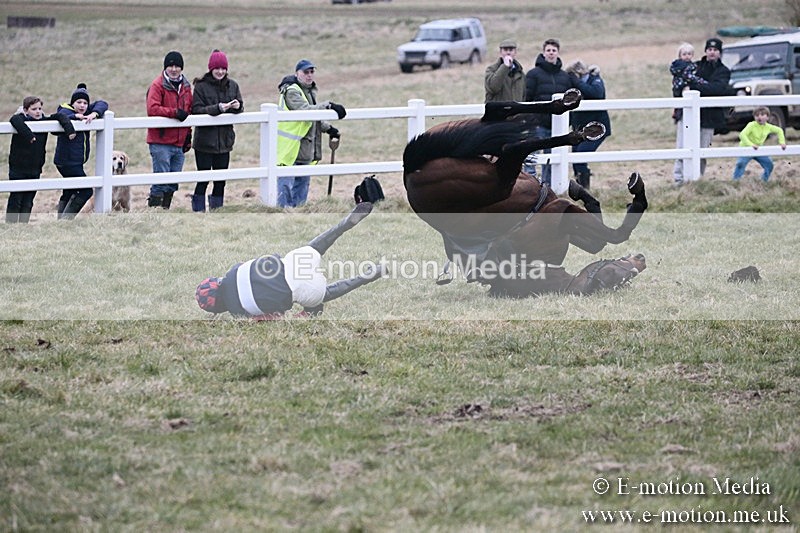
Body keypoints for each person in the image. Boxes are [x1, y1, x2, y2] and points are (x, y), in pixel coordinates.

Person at [195, 202, 384, 319]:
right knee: (318, 245)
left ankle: (374, 272)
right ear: (217, 282)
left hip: (306, 290)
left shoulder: (240, 313)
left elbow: (275, 316)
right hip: (291, 263)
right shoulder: (233, 271)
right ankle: (345, 223)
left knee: (326, 293)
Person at [276, 59, 346, 208]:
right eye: (305, 72)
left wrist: (329, 129)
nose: (309, 75)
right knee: (285, 189)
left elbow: (313, 118)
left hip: (305, 148)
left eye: (311, 72)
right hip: (290, 148)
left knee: (301, 190)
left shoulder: (308, 90)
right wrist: (328, 105)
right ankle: (283, 215)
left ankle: (299, 216)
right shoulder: (292, 91)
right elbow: (305, 112)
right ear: (297, 74)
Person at [6, 96, 76, 223]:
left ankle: (23, 225)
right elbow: (14, 119)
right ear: (26, 110)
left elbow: (59, 116)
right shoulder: (20, 118)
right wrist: (29, 135)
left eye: (39, 108)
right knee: (16, 198)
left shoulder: (44, 120)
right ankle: (11, 224)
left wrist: (69, 129)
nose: (38, 111)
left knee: (28, 199)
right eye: (34, 109)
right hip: (18, 167)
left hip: (35, 167)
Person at [190, 49, 244, 212]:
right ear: (211, 69)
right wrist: (217, 108)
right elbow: (196, 110)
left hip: (225, 142)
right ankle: (198, 211)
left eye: (223, 68)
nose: (220, 72)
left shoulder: (233, 85)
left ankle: (217, 210)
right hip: (205, 142)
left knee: (221, 180)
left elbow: (241, 106)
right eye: (217, 68)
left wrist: (237, 106)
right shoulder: (200, 86)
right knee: (203, 179)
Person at [672, 38, 731, 184]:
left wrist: (693, 88)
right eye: (709, 50)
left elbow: (717, 89)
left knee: (702, 151)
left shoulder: (723, 71)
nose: (712, 52)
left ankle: (697, 181)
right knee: (682, 148)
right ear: (705, 51)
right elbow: (680, 83)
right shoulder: (695, 66)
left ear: (720, 52)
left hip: (709, 117)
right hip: (688, 115)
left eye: (715, 50)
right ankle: (679, 180)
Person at [524, 38, 577, 185]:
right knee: (532, 156)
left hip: (557, 125)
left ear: (558, 53)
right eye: (548, 50)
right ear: (543, 52)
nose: (551, 53)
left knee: (551, 157)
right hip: (537, 123)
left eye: (554, 50)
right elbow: (527, 98)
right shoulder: (533, 74)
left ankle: (547, 187)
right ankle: (530, 184)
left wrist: (570, 121)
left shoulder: (564, 76)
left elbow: (570, 100)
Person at [53, 83, 109, 220]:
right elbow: (61, 114)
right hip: (67, 161)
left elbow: (103, 103)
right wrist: (75, 117)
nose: (82, 105)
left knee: (70, 189)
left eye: (85, 103)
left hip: (75, 161)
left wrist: (94, 113)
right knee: (86, 190)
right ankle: (65, 220)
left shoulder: (86, 112)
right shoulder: (65, 110)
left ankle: (61, 221)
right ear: (72, 103)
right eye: (79, 102)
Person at [146, 50, 193, 209]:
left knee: (172, 182)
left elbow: (189, 110)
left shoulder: (186, 86)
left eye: (177, 66)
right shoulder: (157, 85)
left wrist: (188, 135)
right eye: (171, 66)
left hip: (178, 142)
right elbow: (152, 109)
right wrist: (174, 113)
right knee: (161, 180)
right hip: (160, 141)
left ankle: (164, 211)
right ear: (165, 67)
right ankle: (154, 213)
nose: (174, 69)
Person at [565, 60, 611, 189]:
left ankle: (585, 188)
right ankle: (581, 188)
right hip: (580, 128)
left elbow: (597, 94)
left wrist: (577, 82)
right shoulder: (574, 85)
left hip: (597, 128)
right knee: (576, 159)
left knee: (580, 156)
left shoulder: (594, 80)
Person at [732, 106, 787, 182]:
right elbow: (742, 135)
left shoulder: (768, 127)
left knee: (769, 165)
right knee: (740, 164)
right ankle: (736, 181)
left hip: (759, 149)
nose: (759, 117)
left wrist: (782, 142)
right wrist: (751, 145)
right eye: (757, 115)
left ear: (767, 117)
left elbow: (779, 130)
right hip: (746, 148)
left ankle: (763, 180)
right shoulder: (751, 125)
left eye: (762, 115)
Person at [670, 42, 708, 123]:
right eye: (684, 54)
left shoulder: (676, 65)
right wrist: (700, 81)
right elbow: (689, 76)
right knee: (683, 103)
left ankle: (677, 115)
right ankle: (678, 116)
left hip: (676, 87)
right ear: (680, 55)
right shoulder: (686, 66)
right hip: (683, 86)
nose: (687, 56)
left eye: (689, 54)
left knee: (679, 103)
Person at [484, 39, 525, 103]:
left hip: (516, 111)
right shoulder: (491, 69)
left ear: (515, 52)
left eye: (511, 50)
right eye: (505, 50)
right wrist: (505, 67)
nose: (508, 53)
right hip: (498, 111)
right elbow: (493, 88)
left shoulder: (520, 73)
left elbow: (523, 96)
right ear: (500, 53)